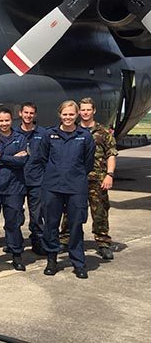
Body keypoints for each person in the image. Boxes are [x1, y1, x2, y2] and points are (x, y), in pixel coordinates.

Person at [37, 100, 95, 279]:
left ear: (77, 115)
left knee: (76, 225)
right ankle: (52, 259)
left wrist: (75, 176)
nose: (68, 117)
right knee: (51, 225)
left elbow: (88, 163)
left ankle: (78, 262)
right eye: (65, 114)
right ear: (59, 115)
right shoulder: (49, 135)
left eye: (71, 114)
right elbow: (42, 158)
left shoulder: (85, 136)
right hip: (53, 186)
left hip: (76, 187)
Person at [60, 97, 118, 260]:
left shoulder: (103, 132)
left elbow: (111, 154)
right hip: (75, 179)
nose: (85, 113)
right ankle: (65, 239)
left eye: (88, 110)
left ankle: (103, 242)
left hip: (97, 178)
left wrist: (109, 175)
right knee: (69, 210)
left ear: (94, 111)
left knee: (99, 211)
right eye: (82, 110)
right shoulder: (72, 130)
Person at [0, 108, 28, 270]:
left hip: (14, 188)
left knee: (13, 223)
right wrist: (11, 158)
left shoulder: (20, 138)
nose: (4, 124)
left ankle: (16, 255)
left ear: (12, 120)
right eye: (1, 121)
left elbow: (22, 162)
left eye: (7, 120)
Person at [17, 102, 47, 256]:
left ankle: (37, 241)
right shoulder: (14, 133)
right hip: (17, 180)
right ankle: (15, 242)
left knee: (37, 215)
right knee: (15, 214)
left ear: (35, 115)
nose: (28, 116)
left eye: (31, 113)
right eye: (26, 112)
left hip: (36, 180)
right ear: (20, 113)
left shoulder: (43, 134)